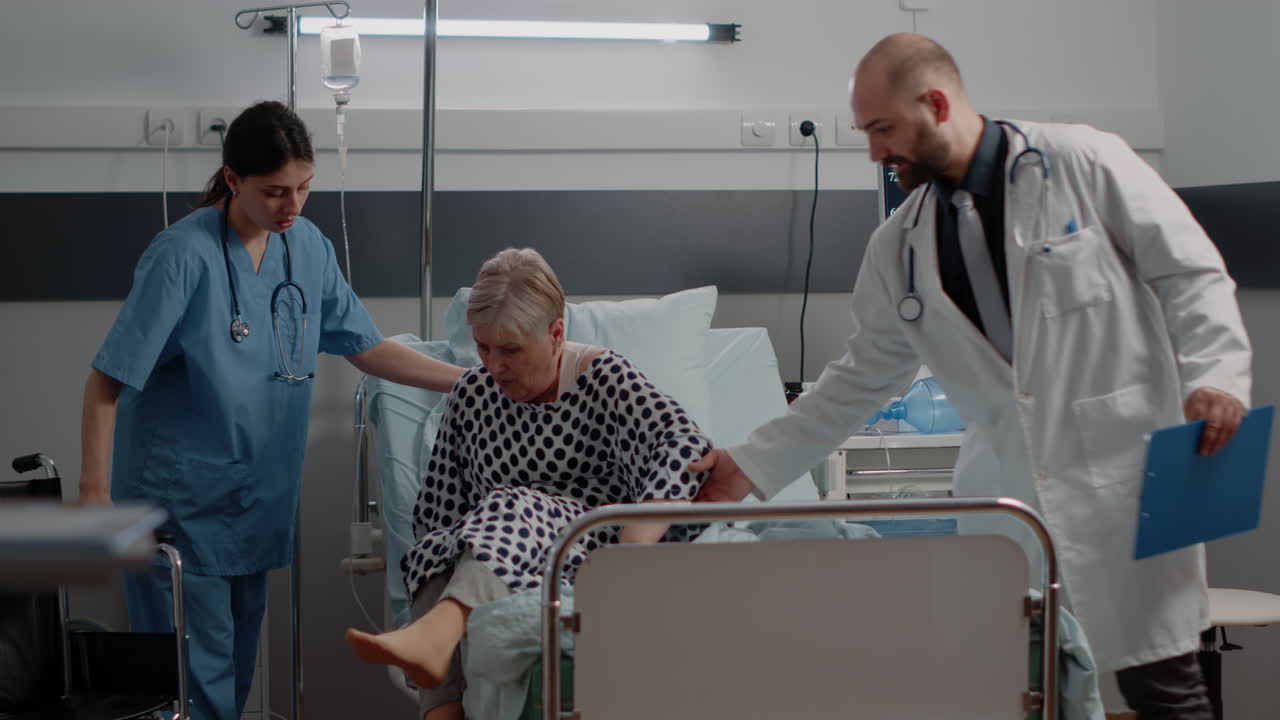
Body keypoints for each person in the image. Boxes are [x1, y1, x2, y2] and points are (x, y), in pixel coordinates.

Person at [691, 33, 1251, 719]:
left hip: (1129, 475)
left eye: (882, 128)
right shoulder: (899, 244)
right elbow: (860, 376)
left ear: (935, 103)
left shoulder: (1081, 160)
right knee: (1017, 691)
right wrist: (748, 464)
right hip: (1007, 498)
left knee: (1164, 688)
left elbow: (1190, 272)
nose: (874, 151)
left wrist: (1216, 375)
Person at [79, 101, 466, 720]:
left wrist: (471, 380)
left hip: (257, 497)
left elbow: (365, 346)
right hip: (179, 500)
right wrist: (94, 490)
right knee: (190, 680)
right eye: (275, 191)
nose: (292, 206)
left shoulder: (307, 247)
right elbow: (107, 377)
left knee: (232, 674)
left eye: (305, 188)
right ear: (233, 180)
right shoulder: (181, 255)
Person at [344, 248, 711, 720]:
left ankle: (438, 635)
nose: (495, 366)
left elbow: (685, 444)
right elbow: (437, 517)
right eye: (483, 348)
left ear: (556, 333)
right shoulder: (473, 395)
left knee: (517, 502)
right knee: (438, 545)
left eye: (511, 350)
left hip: (587, 549)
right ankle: (440, 703)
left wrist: (635, 539)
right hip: (488, 557)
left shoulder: (603, 379)